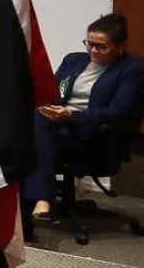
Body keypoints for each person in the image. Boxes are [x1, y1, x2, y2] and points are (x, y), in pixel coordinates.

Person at [24, 14, 144, 221]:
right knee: (31, 121)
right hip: (54, 126)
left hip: (93, 133)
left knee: (33, 132)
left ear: (119, 46)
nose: (93, 51)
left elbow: (119, 111)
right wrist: (48, 107)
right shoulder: (74, 60)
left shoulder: (132, 68)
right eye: (90, 44)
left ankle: (38, 203)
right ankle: (34, 206)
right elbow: (51, 92)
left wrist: (73, 116)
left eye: (101, 46)